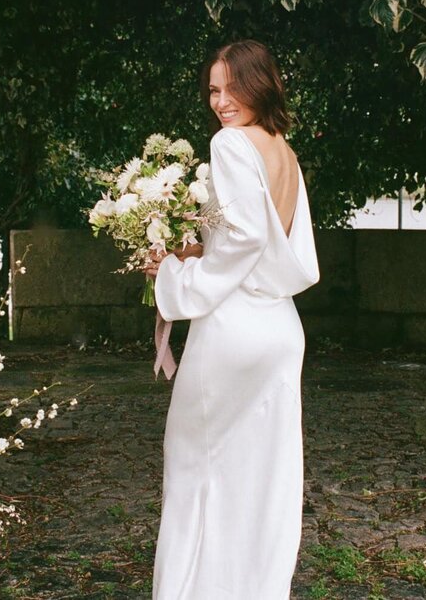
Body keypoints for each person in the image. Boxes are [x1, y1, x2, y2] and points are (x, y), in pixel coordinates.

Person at [144, 39, 320, 599]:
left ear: (259, 83)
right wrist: (194, 249)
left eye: (232, 88)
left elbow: (243, 238)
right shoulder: (281, 149)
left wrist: (173, 281)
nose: (220, 102)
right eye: (213, 90)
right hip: (280, 328)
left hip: (235, 330)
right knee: (261, 480)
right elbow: (259, 240)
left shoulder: (230, 144)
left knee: (195, 466)